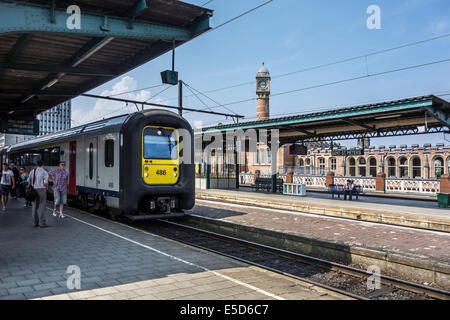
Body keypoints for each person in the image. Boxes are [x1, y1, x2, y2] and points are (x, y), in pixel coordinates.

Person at [28, 160, 49, 227]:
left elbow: (28, 181)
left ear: (37, 164)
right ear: (43, 164)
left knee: (34, 207)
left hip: (34, 190)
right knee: (42, 206)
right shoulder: (44, 172)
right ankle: (42, 223)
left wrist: (30, 186)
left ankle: (35, 222)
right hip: (42, 190)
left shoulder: (32, 171)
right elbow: (45, 183)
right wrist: (46, 188)